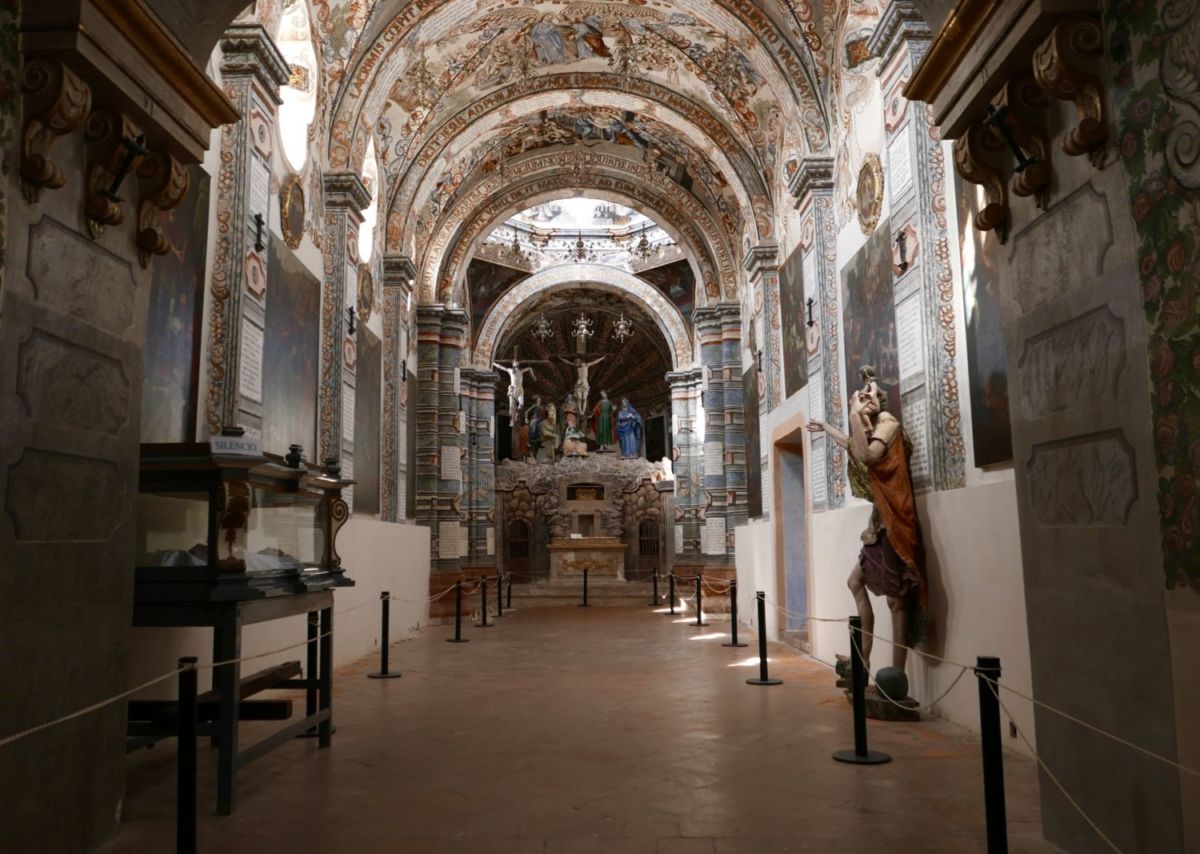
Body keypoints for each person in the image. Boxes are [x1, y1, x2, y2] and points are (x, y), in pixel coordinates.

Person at [806, 366, 925, 674]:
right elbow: (853, 445)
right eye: (861, 396)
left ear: (879, 399)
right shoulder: (872, 424)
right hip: (880, 522)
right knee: (854, 581)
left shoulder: (888, 423)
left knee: (897, 600)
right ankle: (864, 658)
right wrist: (828, 427)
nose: (863, 398)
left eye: (868, 394)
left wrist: (853, 416)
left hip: (894, 520)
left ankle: (897, 674)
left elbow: (869, 455)